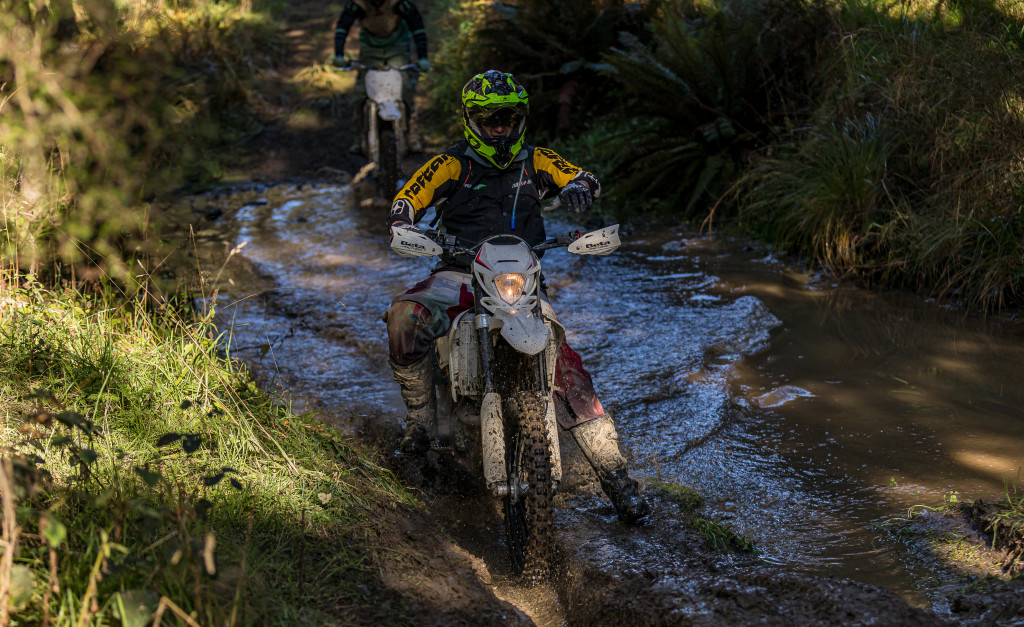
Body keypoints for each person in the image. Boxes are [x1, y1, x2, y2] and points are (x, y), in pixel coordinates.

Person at [381, 70, 650, 525]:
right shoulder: (450, 164)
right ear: (472, 121)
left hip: (521, 280)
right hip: (459, 273)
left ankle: (617, 477)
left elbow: (582, 176)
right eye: (490, 120)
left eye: (507, 118)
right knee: (405, 316)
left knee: (565, 365)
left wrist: (580, 188)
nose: (499, 128)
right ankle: (421, 421)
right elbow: (406, 199)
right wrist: (402, 222)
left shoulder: (537, 160)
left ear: (520, 119)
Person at [332, 0, 429, 154]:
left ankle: (411, 134)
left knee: (406, 88)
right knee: (361, 91)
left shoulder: (400, 3)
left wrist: (423, 57)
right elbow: (343, 26)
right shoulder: (358, 4)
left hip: (397, 46)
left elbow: (417, 26)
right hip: (370, 49)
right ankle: (359, 136)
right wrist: (338, 54)